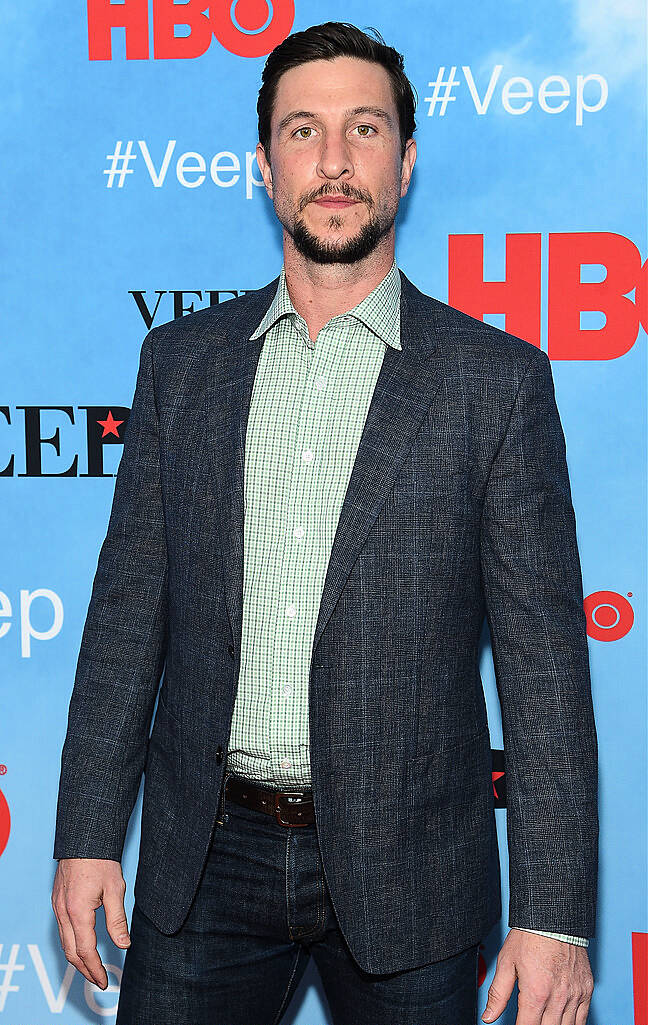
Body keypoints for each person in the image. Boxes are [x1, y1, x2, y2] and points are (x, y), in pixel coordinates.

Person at [51, 21, 598, 1025]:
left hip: (416, 872)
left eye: (365, 129)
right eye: (304, 131)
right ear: (265, 166)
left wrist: (555, 914)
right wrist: (86, 832)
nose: (335, 160)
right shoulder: (183, 366)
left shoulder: (495, 382)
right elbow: (129, 618)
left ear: (407, 160)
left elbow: (545, 666)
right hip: (201, 863)